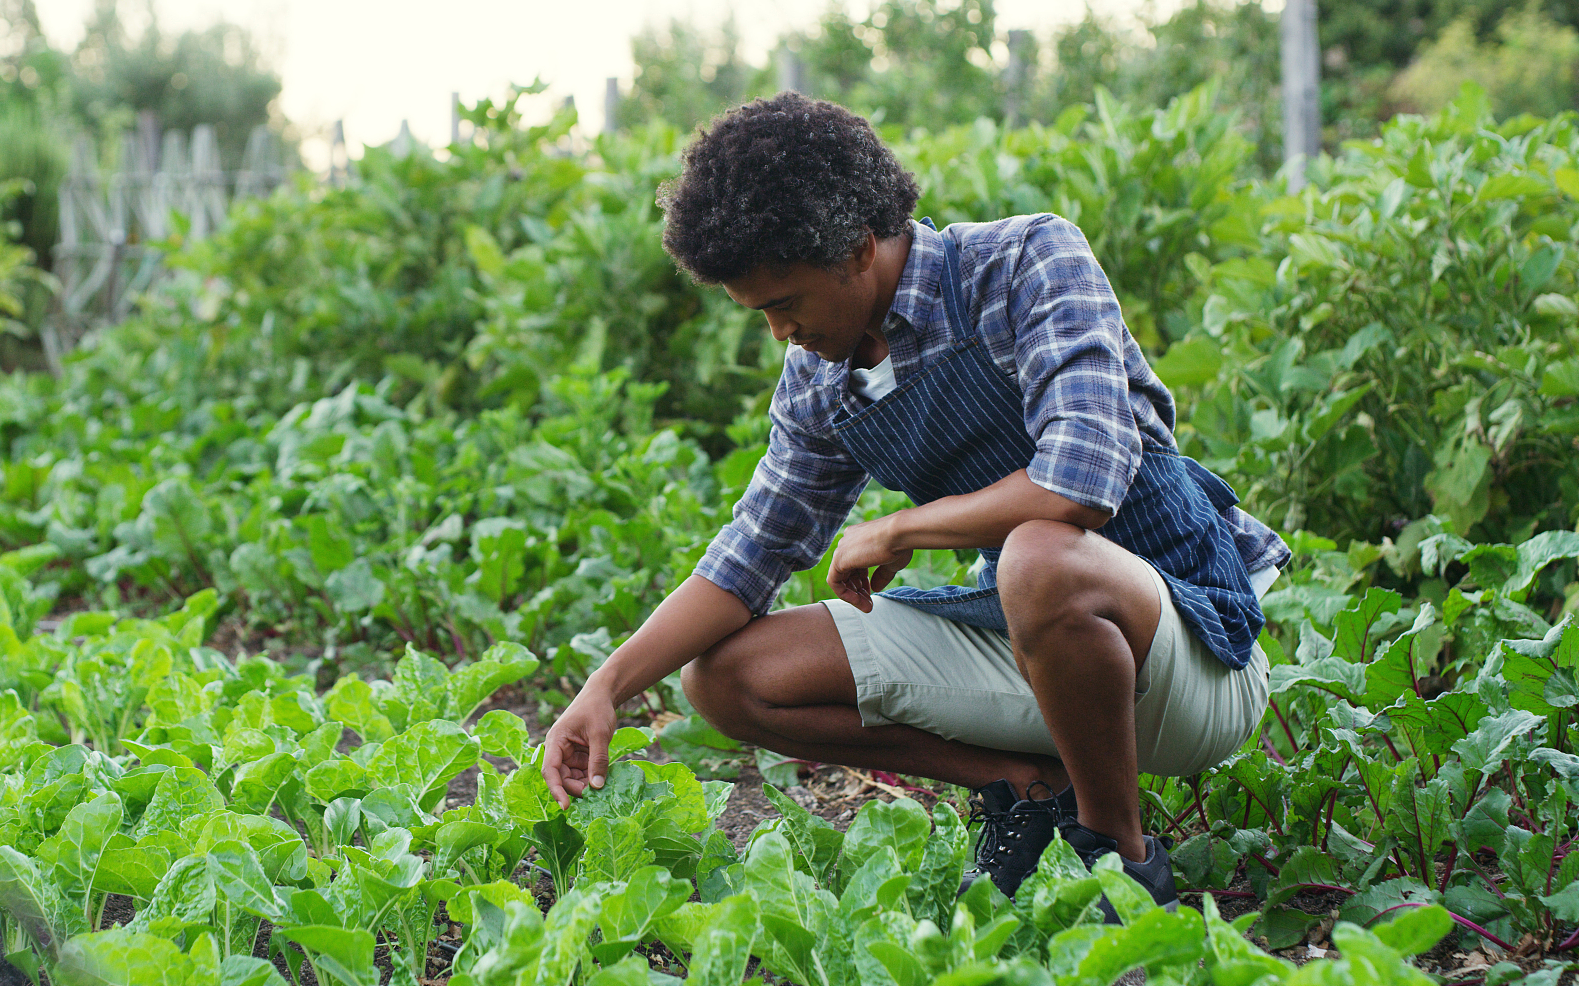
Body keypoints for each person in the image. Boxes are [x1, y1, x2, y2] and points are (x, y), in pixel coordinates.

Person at [538, 92, 1289, 907]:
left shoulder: (1025, 262)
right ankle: (1030, 788)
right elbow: (750, 555)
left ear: (859, 248)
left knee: (1040, 555)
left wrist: (902, 528)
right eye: (759, 314)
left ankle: (1116, 852)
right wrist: (606, 685)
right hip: (1033, 644)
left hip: (1193, 653)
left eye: (784, 304)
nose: (779, 334)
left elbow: (1080, 483)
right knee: (724, 677)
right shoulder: (821, 379)